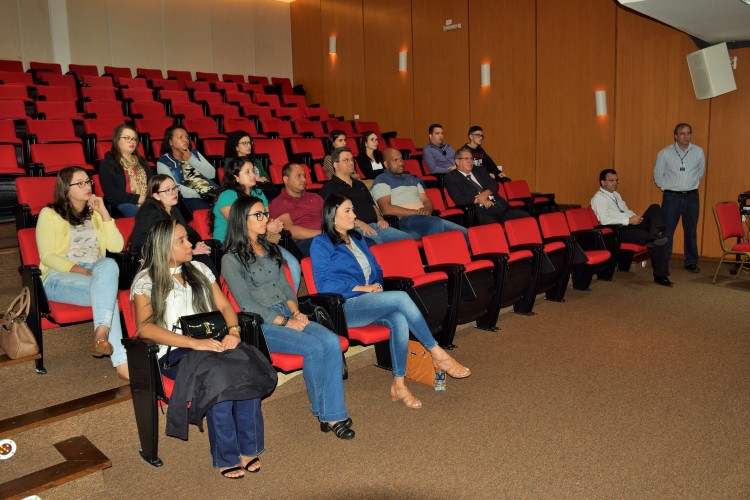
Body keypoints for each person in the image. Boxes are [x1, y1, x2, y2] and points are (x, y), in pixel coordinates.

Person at [132, 220, 270, 479]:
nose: (190, 244)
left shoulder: (199, 268)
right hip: (176, 352)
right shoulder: (147, 279)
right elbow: (145, 329)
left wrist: (234, 331)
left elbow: (226, 306)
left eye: (188, 239)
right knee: (219, 377)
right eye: (182, 241)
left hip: (215, 342)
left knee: (246, 367)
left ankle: (249, 447)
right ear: (163, 247)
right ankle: (226, 456)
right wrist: (194, 343)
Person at [310, 194, 472, 409]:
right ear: (332, 216)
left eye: (353, 210)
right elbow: (323, 284)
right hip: (343, 306)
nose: (354, 215)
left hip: (368, 300)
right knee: (401, 297)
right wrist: (361, 288)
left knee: (398, 319)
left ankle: (399, 384)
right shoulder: (321, 243)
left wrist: (376, 286)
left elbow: (376, 269)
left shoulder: (357, 238)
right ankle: (437, 352)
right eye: (348, 211)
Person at [221, 196, 354, 439]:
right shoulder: (231, 259)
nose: (266, 219)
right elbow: (247, 304)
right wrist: (286, 322)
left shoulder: (270, 249)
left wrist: (296, 313)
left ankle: (328, 412)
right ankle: (330, 414)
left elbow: (287, 289)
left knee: (332, 341)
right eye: (258, 215)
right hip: (262, 324)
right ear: (243, 220)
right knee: (314, 347)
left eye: (265, 213)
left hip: (286, 313)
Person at [35, 166, 128, 380]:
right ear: (65, 188)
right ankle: (121, 362)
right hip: (59, 277)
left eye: (88, 182)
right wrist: (80, 270)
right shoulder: (49, 214)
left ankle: (101, 334)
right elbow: (47, 256)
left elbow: (116, 245)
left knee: (108, 264)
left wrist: (104, 213)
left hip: (95, 273)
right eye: (80, 183)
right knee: (108, 293)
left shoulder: (95, 214)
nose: (87, 186)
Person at [211, 158, 301, 290]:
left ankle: (290, 306)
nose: (253, 175)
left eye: (253, 171)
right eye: (247, 172)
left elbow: (265, 218)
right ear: (236, 177)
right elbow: (238, 224)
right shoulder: (227, 195)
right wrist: (267, 227)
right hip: (231, 242)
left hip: (258, 241)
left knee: (292, 265)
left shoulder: (257, 193)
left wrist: (273, 224)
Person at [591, 169, 672, 287]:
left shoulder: (616, 195)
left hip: (632, 224)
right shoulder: (599, 198)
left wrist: (635, 217)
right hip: (619, 230)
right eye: (611, 180)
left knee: (655, 207)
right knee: (655, 241)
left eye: (616, 180)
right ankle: (660, 276)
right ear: (602, 182)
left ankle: (655, 234)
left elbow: (625, 210)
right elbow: (604, 220)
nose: (615, 183)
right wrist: (628, 221)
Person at [371, 148, 469, 242]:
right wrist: (417, 212)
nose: (401, 163)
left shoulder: (411, 178)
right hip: (405, 221)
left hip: (426, 218)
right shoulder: (381, 180)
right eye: (395, 160)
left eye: (401, 159)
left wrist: (427, 209)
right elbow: (387, 209)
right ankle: (435, 258)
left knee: (466, 234)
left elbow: (426, 201)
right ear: (386, 164)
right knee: (435, 223)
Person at [319, 147, 412, 245]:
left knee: (408, 240)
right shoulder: (329, 188)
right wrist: (359, 223)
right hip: (354, 229)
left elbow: (373, 206)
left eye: (352, 159)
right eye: (346, 160)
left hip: (376, 226)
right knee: (379, 245)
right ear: (335, 164)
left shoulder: (360, 184)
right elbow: (335, 216)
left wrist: (380, 218)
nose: (351, 162)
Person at [130, 174, 215, 273]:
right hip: (151, 259)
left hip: (172, 254)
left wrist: (198, 243)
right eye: (167, 190)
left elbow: (189, 231)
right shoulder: (149, 209)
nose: (174, 192)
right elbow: (160, 243)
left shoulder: (173, 210)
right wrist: (191, 252)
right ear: (156, 195)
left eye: (174, 188)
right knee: (202, 260)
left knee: (204, 256)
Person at [653, 123, 705, 273]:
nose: (686, 136)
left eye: (688, 133)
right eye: (682, 133)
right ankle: (664, 263)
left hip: (692, 197)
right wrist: (668, 187)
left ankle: (691, 262)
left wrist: (689, 184)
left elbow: (700, 173)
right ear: (675, 136)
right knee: (667, 231)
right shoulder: (665, 153)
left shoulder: (698, 152)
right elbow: (658, 175)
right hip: (672, 197)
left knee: (691, 230)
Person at [444, 148, 529, 225]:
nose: (470, 161)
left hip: (501, 206)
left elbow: (494, 184)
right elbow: (459, 199)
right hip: (482, 212)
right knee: (494, 229)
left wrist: (485, 194)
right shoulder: (451, 177)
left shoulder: (479, 170)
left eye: (471, 158)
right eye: (466, 159)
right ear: (457, 161)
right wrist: (479, 199)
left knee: (526, 218)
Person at [268, 163, 325, 257]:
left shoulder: (315, 197)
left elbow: (331, 216)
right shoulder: (279, 202)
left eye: (304, 176)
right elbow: (290, 230)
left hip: (325, 237)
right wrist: (323, 233)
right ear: (286, 179)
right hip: (303, 243)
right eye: (298, 176)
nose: (303, 179)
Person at [157, 125, 217, 212]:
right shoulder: (164, 161)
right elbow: (172, 186)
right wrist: (199, 194)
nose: (185, 140)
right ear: (170, 142)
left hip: (212, 192)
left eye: (187, 137)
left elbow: (211, 174)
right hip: (189, 198)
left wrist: (191, 159)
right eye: (180, 137)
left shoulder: (194, 154)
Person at [99, 124, 154, 217]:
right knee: (143, 215)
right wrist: (138, 198)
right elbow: (111, 192)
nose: (131, 141)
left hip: (146, 200)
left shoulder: (141, 161)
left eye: (134, 139)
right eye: (127, 138)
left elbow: (153, 182)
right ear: (117, 140)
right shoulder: (108, 163)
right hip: (123, 203)